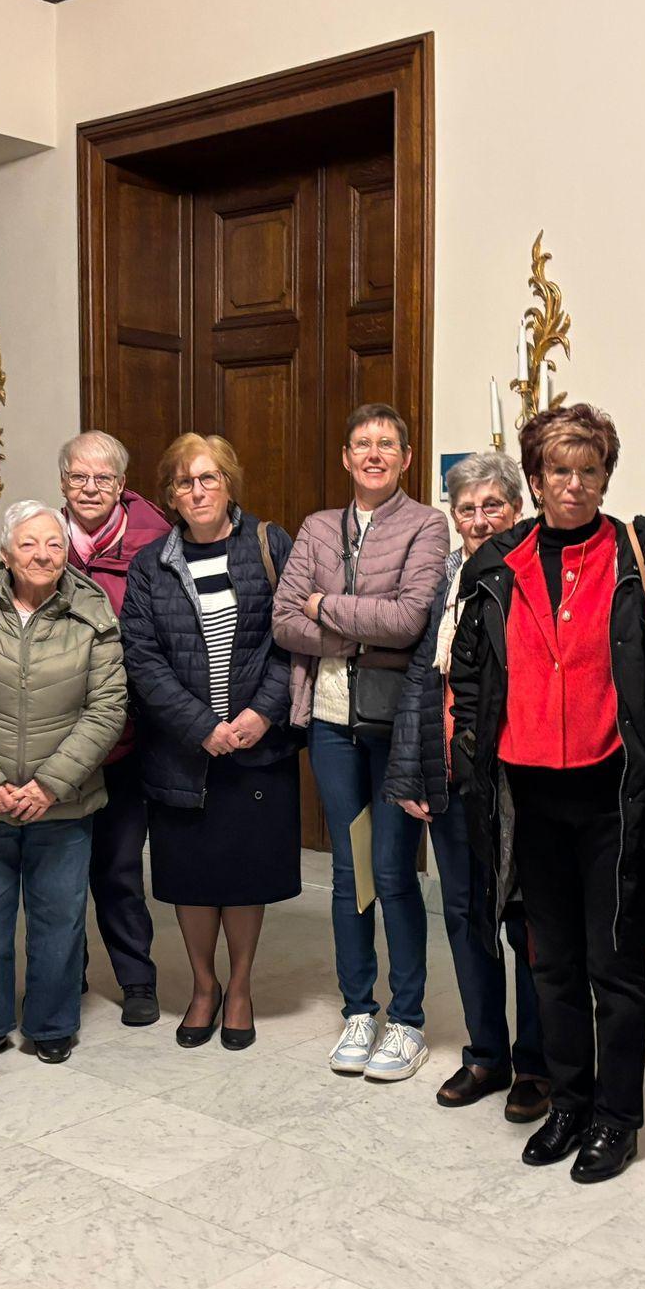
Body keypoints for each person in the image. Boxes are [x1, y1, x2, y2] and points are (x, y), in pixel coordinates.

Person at [449, 403, 645, 1184]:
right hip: (526, 794)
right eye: (560, 470)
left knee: (614, 966)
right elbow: (469, 673)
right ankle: (567, 1102)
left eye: (591, 471)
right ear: (535, 478)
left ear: (606, 477)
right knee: (549, 961)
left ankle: (616, 1119)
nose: (576, 485)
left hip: (613, 793)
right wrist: (466, 767)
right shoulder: (494, 562)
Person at [272, 403, 448, 1082]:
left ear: (405, 458)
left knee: (395, 872)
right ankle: (358, 1008)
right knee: (350, 874)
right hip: (332, 721)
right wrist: (351, 627)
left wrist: (326, 607)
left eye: (387, 444)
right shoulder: (318, 527)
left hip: (398, 728)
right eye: (361, 443)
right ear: (346, 457)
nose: (373, 453)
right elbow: (286, 620)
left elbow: (408, 620)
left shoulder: (427, 524)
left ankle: (407, 1019)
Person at [0, 500, 126, 1068]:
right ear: (6, 553)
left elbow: (107, 708)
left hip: (62, 802)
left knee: (59, 920)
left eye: (54, 544)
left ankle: (52, 1023)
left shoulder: (92, 609)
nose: (42, 554)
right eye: (29, 544)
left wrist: (51, 785)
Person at [119, 434, 301, 1051]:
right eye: (184, 481)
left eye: (208, 478)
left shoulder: (271, 545)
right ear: (170, 494)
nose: (196, 491)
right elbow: (142, 661)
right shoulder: (150, 564)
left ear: (229, 484)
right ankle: (203, 986)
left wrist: (262, 713)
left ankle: (242, 986)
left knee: (244, 876)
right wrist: (202, 726)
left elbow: (293, 640)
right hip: (182, 750)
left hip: (257, 747)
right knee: (190, 877)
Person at [384, 450, 549, 1119]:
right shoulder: (446, 579)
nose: (480, 520)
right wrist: (411, 769)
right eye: (467, 508)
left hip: (520, 778)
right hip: (453, 778)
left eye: (493, 506)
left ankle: (538, 1065)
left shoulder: (537, 575)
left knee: (527, 922)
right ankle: (487, 1053)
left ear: (518, 509)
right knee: (464, 915)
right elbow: (421, 685)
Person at [58, 429, 171, 1026]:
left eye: (103, 478)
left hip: (129, 734)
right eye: (80, 477)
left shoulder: (154, 539)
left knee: (119, 865)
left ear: (123, 485)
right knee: (59, 865)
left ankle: (136, 980)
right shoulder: (43, 541)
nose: (91, 488)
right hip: (56, 736)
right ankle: (63, 974)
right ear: (63, 484)